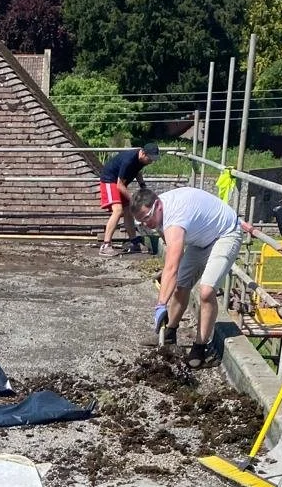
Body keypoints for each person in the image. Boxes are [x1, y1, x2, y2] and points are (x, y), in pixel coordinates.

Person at [129, 185, 243, 368]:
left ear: (158, 205)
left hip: (225, 234)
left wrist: (160, 304)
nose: (146, 225)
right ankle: (169, 333)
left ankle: (200, 347)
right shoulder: (159, 211)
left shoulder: (175, 218)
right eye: (140, 222)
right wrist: (167, 282)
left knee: (206, 291)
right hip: (200, 240)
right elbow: (171, 263)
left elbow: (172, 266)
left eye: (146, 218)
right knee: (181, 285)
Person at [97, 144, 159, 253]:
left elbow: (137, 171)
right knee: (118, 210)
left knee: (128, 211)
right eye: (150, 159)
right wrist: (134, 200)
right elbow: (119, 185)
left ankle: (134, 242)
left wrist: (143, 185)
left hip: (118, 183)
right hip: (109, 180)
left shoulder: (141, 160)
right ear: (143, 153)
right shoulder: (129, 160)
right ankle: (106, 245)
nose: (151, 162)